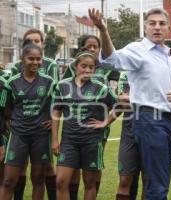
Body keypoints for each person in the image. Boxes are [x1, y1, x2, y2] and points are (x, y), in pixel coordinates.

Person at [89, 7, 171, 200]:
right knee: (157, 186)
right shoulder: (138, 49)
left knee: (160, 182)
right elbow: (110, 59)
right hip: (149, 120)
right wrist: (103, 31)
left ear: (168, 29)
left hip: (166, 121)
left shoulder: (167, 55)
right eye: (152, 23)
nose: (157, 27)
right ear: (145, 27)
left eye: (162, 23)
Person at [51, 50, 117, 200]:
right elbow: (56, 112)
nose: (87, 70)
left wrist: (105, 122)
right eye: (83, 66)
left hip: (91, 142)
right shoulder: (62, 86)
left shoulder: (100, 88)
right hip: (69, 142)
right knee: (61, 182)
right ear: (75, 67)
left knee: (89, 183)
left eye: (91, 67)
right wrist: (54, 139)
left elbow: (120, 105)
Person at [0, 43, 54, 200]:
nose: (35, 62)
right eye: (31, 58)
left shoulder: (49, 82)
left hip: (40, 136)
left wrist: (52, 119)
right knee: (9, 180)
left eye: (38, 59)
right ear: (22, 59)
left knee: (38, 179)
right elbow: (5, 107)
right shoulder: (12, 83)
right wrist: (11, 120)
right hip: (18, 136)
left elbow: (57, 105)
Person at [115, 72, 143, 200]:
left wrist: (132, 95)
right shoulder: (125, 73)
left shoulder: (156, 69)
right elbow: (123, 101)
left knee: (149, 181)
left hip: (152, 132)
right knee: (125, 180)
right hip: (129, 134)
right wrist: (149, 97)